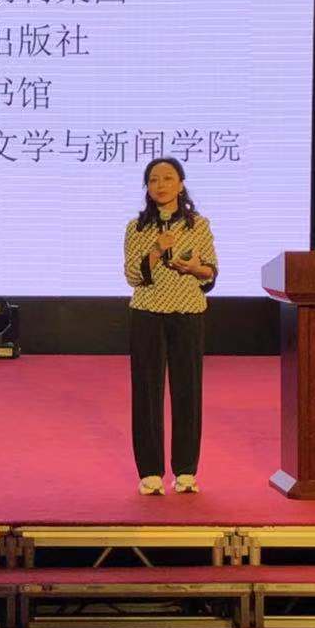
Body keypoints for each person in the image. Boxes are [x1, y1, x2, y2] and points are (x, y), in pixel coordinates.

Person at [122, 157, 219, 495]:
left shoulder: (198, 225)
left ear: (181, 184)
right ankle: (150, 472)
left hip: (188, 312)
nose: (160, 185)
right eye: (153, 180)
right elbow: (132, 275)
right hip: (147, 313)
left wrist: (194, 268)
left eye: (167, 178)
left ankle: (186, 471)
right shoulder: (136, 227)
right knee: (146, 392)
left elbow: (211, 272)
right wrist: (155, 250)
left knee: (187, 390)